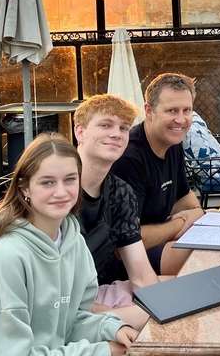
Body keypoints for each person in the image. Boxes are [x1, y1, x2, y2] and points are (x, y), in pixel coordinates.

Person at [0, 133, 139, 356]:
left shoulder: (74, 242)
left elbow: (71, 320)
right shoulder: (6, 259)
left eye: (70, 179)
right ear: (25, 188)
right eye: (47, 182)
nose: (61, 192)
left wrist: (111, 328)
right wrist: (102, 351)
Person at [74, 94, 160, 330]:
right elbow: (53, 297)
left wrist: (161, 307)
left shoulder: (120, 192)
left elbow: (140, 273)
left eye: (123, 128)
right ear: (80, 132)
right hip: (58, 307)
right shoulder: (59, 194)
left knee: (183, 300)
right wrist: (118, 316)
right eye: (105, 125)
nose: (116, 134)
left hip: (96, 295)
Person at [110, 73, 205, 276]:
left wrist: (197, 214)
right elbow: (128, 241)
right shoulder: (129, 157)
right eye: (171, 110)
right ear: (149, 111)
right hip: (125, 261)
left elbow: (187, 201)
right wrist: (181, 222)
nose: (180, 120)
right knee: (203, 256)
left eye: (186, 110)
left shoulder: (173, 144)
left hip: (154, 243)